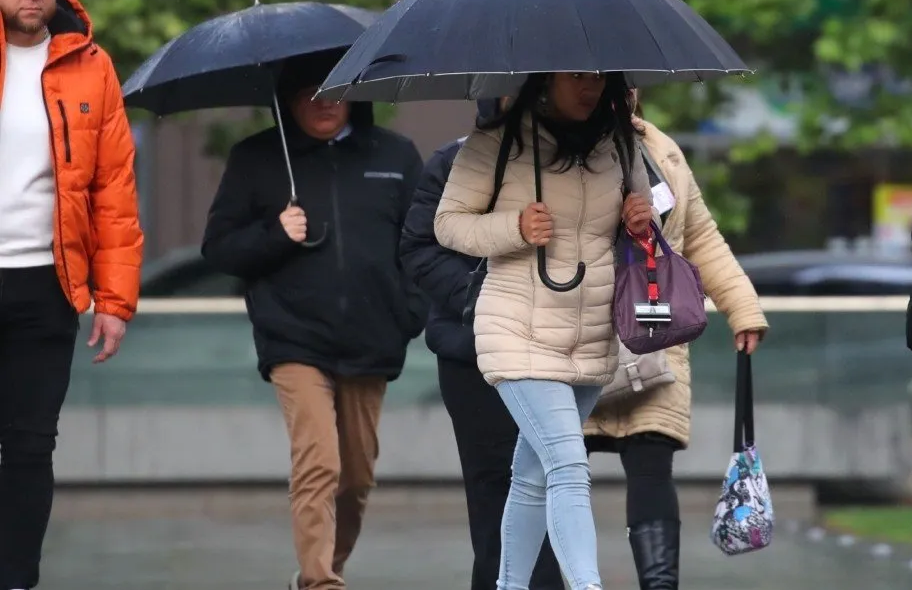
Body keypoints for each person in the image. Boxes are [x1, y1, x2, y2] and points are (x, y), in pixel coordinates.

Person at [201, 51, 428, 590]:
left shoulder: (396, 156)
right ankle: (320, 580)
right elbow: (219, 248)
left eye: (333, 91)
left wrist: (408, 313)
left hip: (372, 338)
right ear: (286, 100)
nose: (322, 103)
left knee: (356, 476)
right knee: (319, 461)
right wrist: (275, 235)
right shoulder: (257, 159)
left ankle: (326, 569)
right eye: (307, 93)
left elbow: (422, 241)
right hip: (294, 340)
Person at [434, 72, 654, 590]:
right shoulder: (495, 142)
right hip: (516, 329)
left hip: (592, 334)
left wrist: (640, 223)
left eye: (598, 76)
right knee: (568, 465)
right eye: (576, 76)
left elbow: (646, 232)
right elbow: (448, 224)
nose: (589, 86)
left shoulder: (622, 144)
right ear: (545, 79)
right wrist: (513, 227)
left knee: (532, 478)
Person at [0, 0, 143, 590]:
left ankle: (17, 579)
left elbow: (114, 190)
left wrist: (114, 300)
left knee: (30, 446)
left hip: (47, 284)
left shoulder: (91, 64)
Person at [582, 91, 768, 590]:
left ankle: (660, 584)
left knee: (651, 463)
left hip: (651, 336)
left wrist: (742, 308)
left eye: (629, 82)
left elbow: (700, 237)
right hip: (576, 337)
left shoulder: (660, 148)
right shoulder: (551, 145)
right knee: (560, 473)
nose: (622, 91)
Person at [397, 98, 564, 590]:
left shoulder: (582, 162)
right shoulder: (455, 161)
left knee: (556, 484)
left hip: (555, 351)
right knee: (496, 491)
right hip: (473, 355)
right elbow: (419, 247)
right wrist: (485, 298)